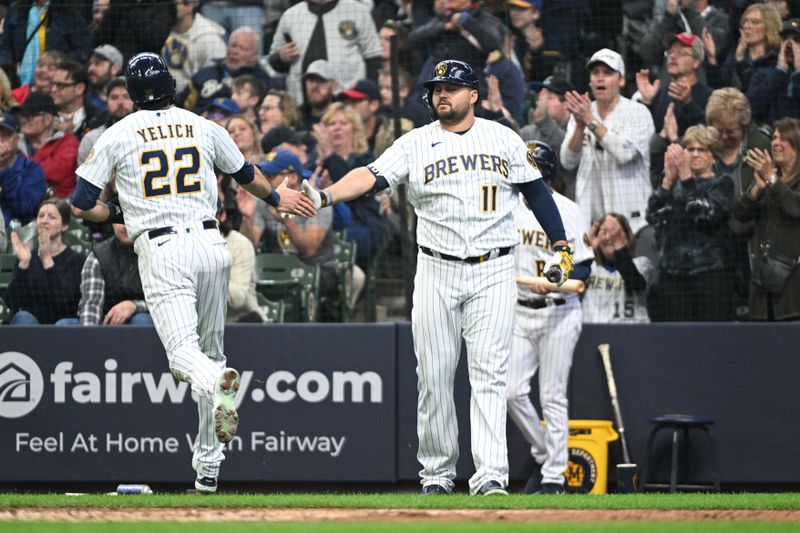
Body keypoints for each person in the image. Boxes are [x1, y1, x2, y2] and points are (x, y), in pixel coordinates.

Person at [301, 60, 574, 495]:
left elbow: (537, 193)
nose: (441, 94)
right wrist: (325, 195)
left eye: (451, 87)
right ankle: (437, 476)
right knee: (434, 374)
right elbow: (371, 177)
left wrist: (561, 244)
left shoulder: (503, 138)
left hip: (493, 267)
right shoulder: (415, 142)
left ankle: (490, 477)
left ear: (474, 96)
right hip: (436, 268)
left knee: (489, 375)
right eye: (436, 88)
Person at [69, 53, 315, 493]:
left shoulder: (119, 132)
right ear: (171, 86)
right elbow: (246, 174)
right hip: (210, 243)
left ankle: (217, 385)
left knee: (187, 358)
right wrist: (277, 200)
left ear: (131, 91)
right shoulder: (203, 125)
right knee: (211, 353)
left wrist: (115, 212)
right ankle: (207, 471)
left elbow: (81, 200)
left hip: (163, 247)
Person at [506, 141, 593, 496]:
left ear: (545, 173)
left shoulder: (566, 210)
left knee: (553, 397)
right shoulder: (506, 208)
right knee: (511, 392)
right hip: (519, 310)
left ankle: (555, 476)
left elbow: (584, 268)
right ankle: (544, 452)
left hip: (558, 311)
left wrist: (555, 284)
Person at [646, 125, 735, 321]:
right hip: (672, 274)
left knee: (708, 341)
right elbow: (654, 217)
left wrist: (685, 177)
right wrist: (668, 180)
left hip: (708, 274)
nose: (694, 154)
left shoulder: (722, 183)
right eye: (690, 149)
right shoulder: (674, 184)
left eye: (701, 150)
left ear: (713, 156)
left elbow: (704, 213)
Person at [561, 48, 655, 234]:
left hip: (632, 220)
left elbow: (625, 153)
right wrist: (580, 127)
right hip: (592, 221)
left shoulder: (637, 112)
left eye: (608, 73)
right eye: (595, 73)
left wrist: (590, 121)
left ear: (621, 79)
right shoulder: (583, 112)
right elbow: (568, 161)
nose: (600, 78)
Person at [733, 117, 800, 321]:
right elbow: (739, 216)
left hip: (794, 291)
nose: (775, 143)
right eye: (774, 137)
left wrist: (772, 179)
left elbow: (796, 208)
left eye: (782, 138)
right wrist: (756, 190)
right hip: (762, 288)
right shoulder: (766, 180)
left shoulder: (775, 179)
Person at [268, 0, 382, 106]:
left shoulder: (357, 11)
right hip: (301, 104)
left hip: (349, 102)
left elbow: (373, 58)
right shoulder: (291, 15)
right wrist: (281, 56)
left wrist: (367, 97)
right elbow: (273, 61)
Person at [313, 102, 385, 270]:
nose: (337, 128)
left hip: (360, 223)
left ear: (354, 129)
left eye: (343, 123)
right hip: (322, 222)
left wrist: (330, 155)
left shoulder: (365, 161)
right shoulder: (316, 162)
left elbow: (352, 187)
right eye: (331, 124)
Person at [4, 198, 85, 324]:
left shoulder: (77, 260)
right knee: (23, 317)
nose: (44, 221)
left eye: (51, 217)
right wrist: (23, 265)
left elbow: (66, 302)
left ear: (64, 225)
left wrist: (47, 261)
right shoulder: (27, 257)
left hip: (64, 325)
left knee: (64, 324)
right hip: (31, 327)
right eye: (41, 216)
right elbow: (11, 302)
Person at [178, 27, 280, 113]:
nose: (235, 51)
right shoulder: (205, 73)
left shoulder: (262, 82)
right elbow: (180, 105)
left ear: (254, 56)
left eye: (242, 48)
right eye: (233, 45)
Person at [582, 212, 653, 323]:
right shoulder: (589, 267)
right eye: (603, 232)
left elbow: (635, 282)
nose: (609, 236)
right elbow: (567, 285)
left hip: (632, 334)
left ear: (627, 237)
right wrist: (587, 251)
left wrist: (619, 245)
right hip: (593, 334)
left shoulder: (642, 263)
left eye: (614, 231)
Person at [78, 221, 153, 325]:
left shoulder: (157, 253)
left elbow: (168, 302)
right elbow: (91, 305)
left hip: (147, 323)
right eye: (119, 220)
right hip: (106, 325)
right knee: (64, 325)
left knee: (141, 319)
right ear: (112, 222)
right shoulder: (98, 257)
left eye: (128, 219)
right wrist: (90, 338)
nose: (125, 226)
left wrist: (134, 306)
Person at [0, 0, 89, 86]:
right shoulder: (16, 9)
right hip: (19, 85)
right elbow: (5, 48)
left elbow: (82, 51)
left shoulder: (70, 11)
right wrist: (9, 71)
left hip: (55, 86)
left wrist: (59, 64)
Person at [520, 77, 577, 199]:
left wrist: (543, 119)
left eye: (549, 98)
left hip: (568, 204)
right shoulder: (529, 131)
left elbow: (564, 150)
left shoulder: (578, 130)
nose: (539, 102)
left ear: (567, 103)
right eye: (540, 97)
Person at [16, 91, 79, 198]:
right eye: (22, 115)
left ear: (48, 119)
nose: (24, 120)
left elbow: (58, 171)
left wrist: (23, 171)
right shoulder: (13, 143)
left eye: (30, 115)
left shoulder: (68, 142)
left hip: (59, 208)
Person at [216, 192, 265, 323]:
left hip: (240, 323)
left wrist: (208, 274)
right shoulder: (184, 246)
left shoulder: (239, 244)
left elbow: (237, 298)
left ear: (222, 215)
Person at [162, 0, 227, 94]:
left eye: (173, 5)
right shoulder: (162, 30)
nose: (166, 9)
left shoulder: (210, 38)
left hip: (194, 101)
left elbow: (212, 81)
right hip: (165, 98)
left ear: (189, 6)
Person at [0, 111, 46, 226]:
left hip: (19, 232)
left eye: (6, 135)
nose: (1, 141)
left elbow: (26, 208)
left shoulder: (32, 169)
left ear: (17, 138)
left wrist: (3, 169)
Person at [78, 77, 134, 166]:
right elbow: (82, 178)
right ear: (107, 101)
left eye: (126, 97)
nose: (120, 102)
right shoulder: (92, 139)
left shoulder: (146, 133)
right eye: (114, 97)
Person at [50, 58, 97, 139]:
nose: (53, 90)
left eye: (60, 85)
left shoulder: (96, 119)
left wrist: (69, 135)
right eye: (53, 84)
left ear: (79, 88)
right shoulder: (45, 118)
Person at [86, 44, 123, 114]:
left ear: (114, 69)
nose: (90, 68)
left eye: (97, 63)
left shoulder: (131, 99)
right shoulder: (85, 98)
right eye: (90, 64)